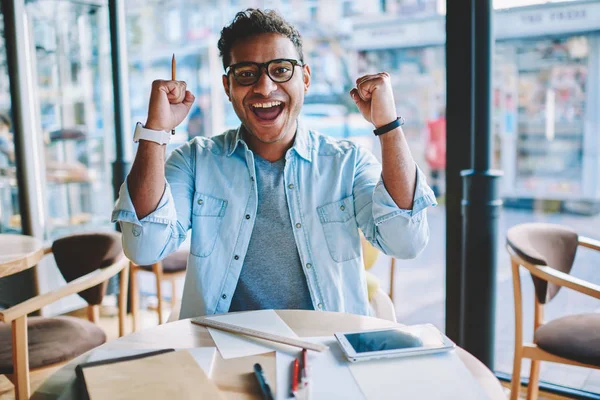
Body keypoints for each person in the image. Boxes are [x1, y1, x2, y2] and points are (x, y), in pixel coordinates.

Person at [112, 9, 436, 319]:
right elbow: (145, 247)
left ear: (305, 79)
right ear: (228, 87)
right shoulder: (196, 161)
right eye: (246, 74)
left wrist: (389, 126)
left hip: (326, 349)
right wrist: (155, 131)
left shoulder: (347, 163)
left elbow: (405, 240)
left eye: (281, 70)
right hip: (221, 350)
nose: (265, 87)